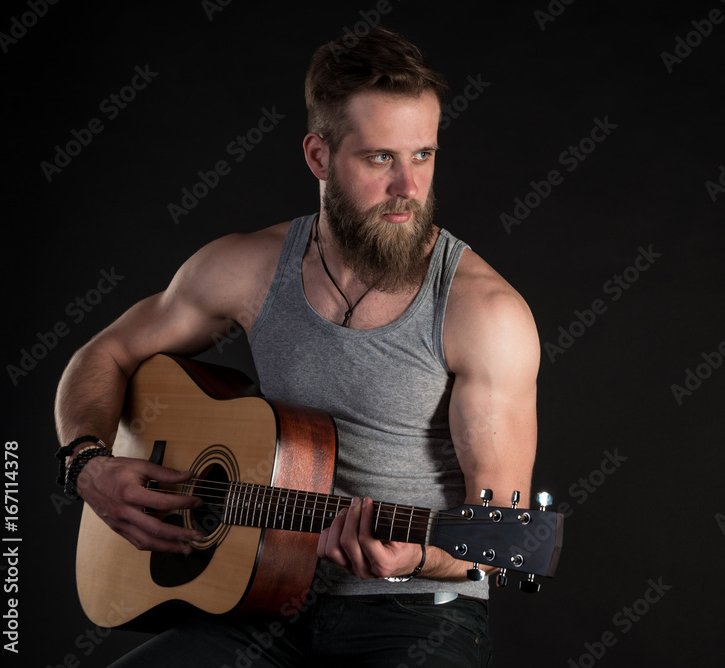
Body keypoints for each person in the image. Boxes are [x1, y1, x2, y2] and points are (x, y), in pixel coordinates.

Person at [53, 26, 539, 666]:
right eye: (379, 158)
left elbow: (500, 539)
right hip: (255, 602)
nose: (408, 188)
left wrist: (420, 555)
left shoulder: (484, 312)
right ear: (318, 156)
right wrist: (86, 464)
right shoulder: (246, 268)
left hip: (413, 615)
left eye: (423, 155)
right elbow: (102, 355)